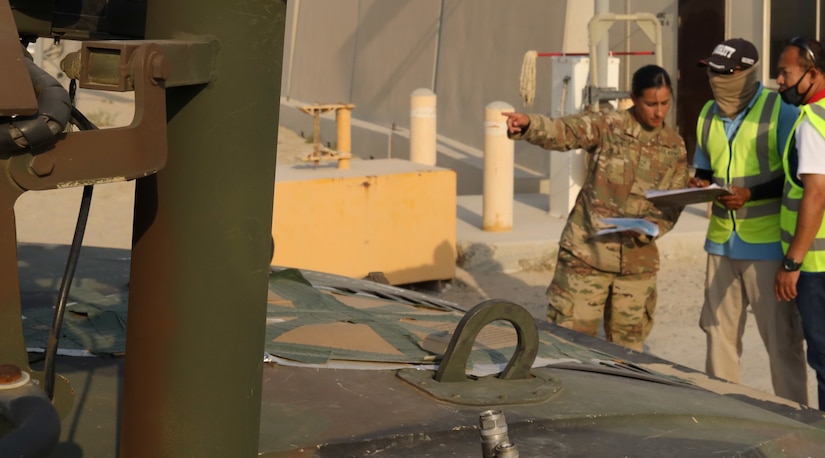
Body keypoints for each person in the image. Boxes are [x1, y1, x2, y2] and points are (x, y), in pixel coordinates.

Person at [502, 65, 688, 351]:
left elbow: (672, 203)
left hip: (637, 266)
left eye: (665, 103)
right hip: (586, 257)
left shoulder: (674, 146)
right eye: (651, 104)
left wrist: (653, 225)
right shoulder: (608, 126)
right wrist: (529, 125)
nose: (659, 112)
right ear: (634, 98)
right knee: (568, 347)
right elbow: (565, 131)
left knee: (628, 356)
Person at [688, 38, 807, 405]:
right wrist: (700, 184)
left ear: (744, 74)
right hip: (721, 242)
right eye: (712, 73)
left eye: (723, 74)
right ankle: (726, 418)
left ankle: (796, 418)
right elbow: (706, 168)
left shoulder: (781, 109)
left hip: (768, 246)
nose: (715, 80)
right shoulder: (707, 112)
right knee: (718, 339)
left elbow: (798, 175)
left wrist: (750, 194)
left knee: (781, 344)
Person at [774, 36, 825, 411]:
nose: (779, 81)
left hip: (816, 267)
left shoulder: (811, 124)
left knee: (824, 360)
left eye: (785, 73)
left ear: (813, 74)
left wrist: (792, 263)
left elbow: (815, 195)